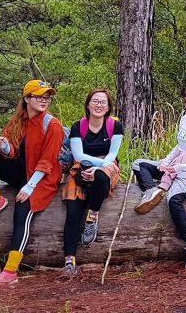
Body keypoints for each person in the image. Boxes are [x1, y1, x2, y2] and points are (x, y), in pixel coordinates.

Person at [0, 79, 65, 283]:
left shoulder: (53, 125)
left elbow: (47, 161)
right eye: (39, 96)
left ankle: (10, 271)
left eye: (47, 97)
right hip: (21, 171)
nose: (44, 100)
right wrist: (6, 147)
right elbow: (14, 153)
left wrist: (30, 186)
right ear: (26, 98)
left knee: (23, 210)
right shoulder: (17, 120)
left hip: (42, 178)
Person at [132, 82, 186, 270]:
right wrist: (166, 161)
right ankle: (151, 191)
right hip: (177, 162)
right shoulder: (185, 118)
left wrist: (183, 168)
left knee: (173, 200)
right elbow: (180, 146)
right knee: (139, 164)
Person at [60, 89, 124, 276]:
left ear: (108, 107)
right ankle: (69, 260)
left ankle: (92, 217)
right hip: (81, 166)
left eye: (103, 102)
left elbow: (112, 155)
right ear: (88, 105)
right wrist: (90, 167)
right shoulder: (78, 126)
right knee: (72, 212)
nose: (98, 105)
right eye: (95, 101)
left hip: (107, 165)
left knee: (101, 178)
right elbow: (78, 155)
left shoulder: (114, 126)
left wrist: (98, 168)